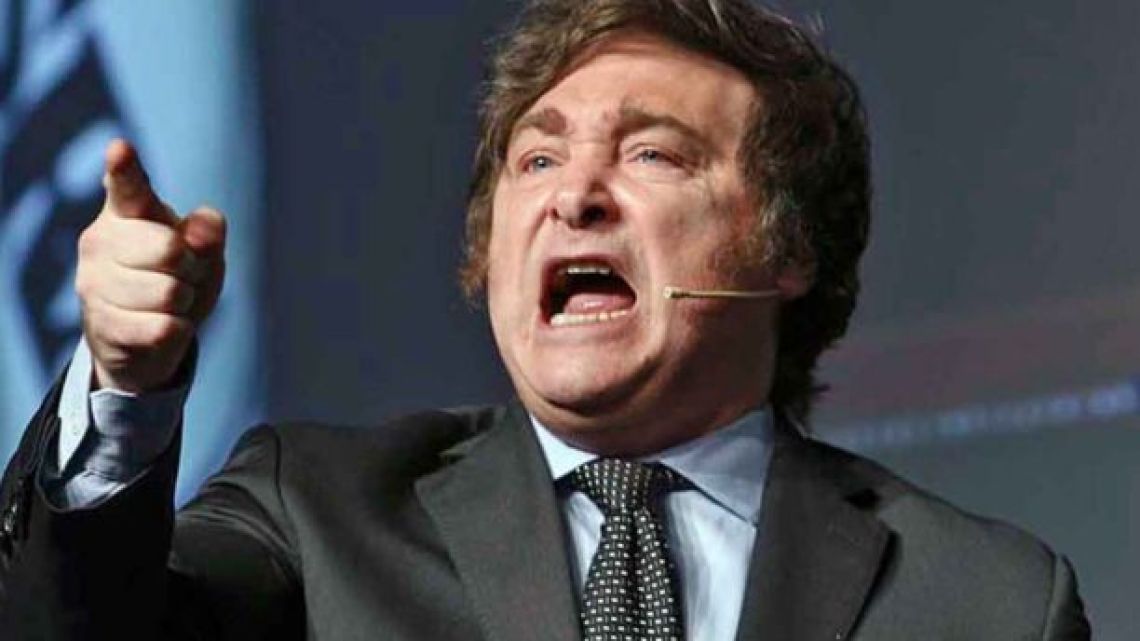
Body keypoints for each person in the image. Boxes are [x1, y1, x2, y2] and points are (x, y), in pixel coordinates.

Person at [0, 0, 1090, 639]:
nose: (574, 196)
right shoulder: (317, 512)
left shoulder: (988, 598)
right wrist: (127, 391)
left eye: (653, 153)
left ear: (788, 247)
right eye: (536, 159)